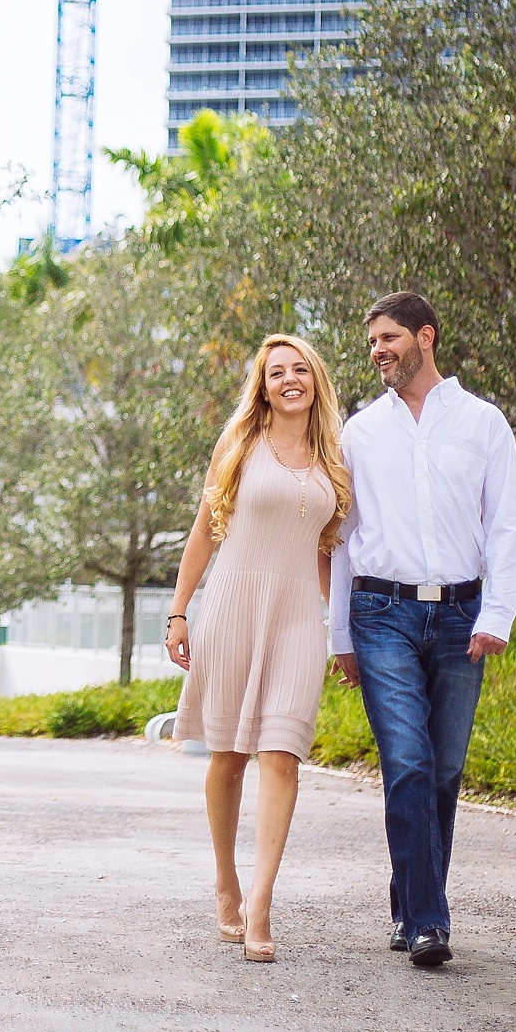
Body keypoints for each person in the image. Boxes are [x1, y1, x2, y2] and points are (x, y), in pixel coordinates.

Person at [328, 291, 516, 967]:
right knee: (407, 761)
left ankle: (407, 902)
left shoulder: (482, 423)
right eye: (373, 341)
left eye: (389, 337)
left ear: (426, 337)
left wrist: (497, 613)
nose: (379, 350)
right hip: (380, 613)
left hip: (460, 616)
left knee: (442, 771)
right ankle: (427, 923)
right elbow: (341, 539)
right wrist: (340, 635)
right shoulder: (359, 431)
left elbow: (506, 526)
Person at [166, 333, 350, 964]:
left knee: (283, 754)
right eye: (277, 373)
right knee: (228, 757)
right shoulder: (239, 444)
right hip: (232, 608)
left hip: (300, 616)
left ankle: (262, 904)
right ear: (263, 385)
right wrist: (178, 611)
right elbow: (203, 534)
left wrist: (342, 629)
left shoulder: (334, 459)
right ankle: (226, 882)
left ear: (316, 381)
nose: (289, 380)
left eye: (301, 370)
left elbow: (327, 553)